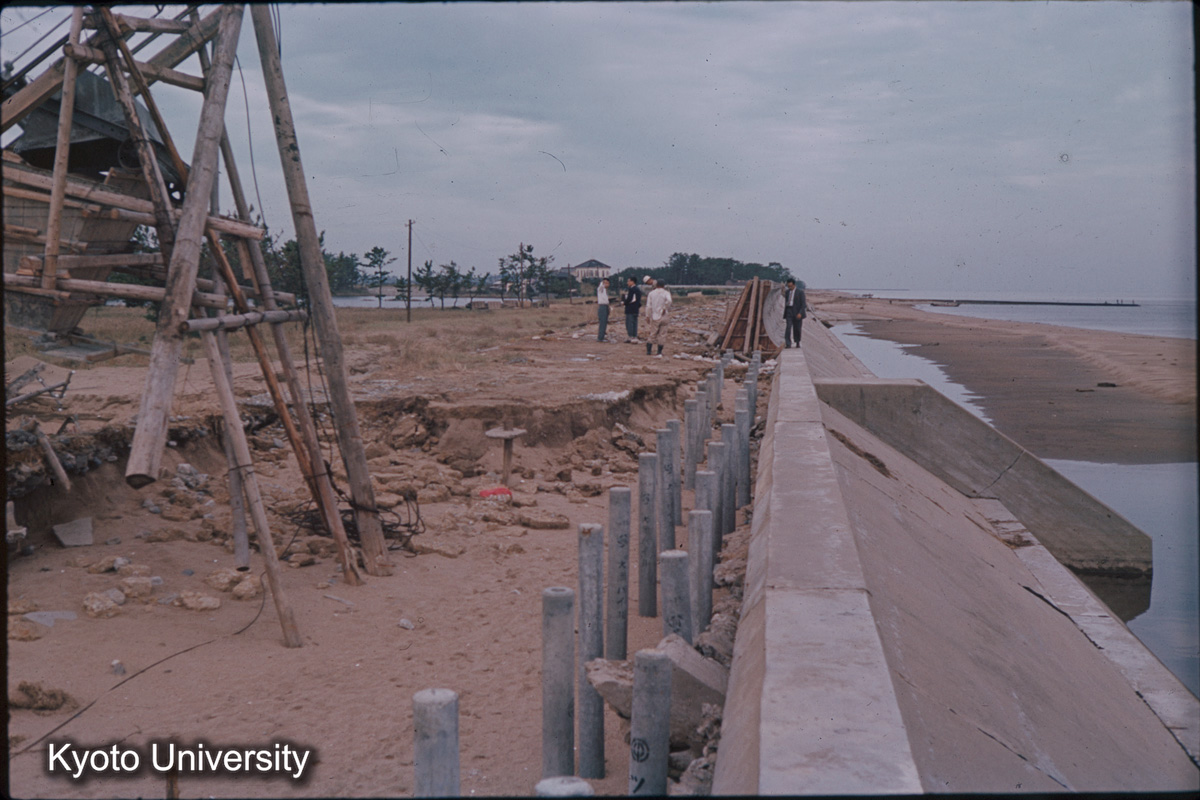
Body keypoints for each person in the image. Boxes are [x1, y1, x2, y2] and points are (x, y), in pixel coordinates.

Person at [645, 280, 672, 356]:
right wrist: (664, 308)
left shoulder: (651, 293)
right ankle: (659, 351)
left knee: (653, 333)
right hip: (664, 315)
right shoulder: (666, 293)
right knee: (662, 334)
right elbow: (669, 301)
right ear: (664, 285)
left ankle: (649, 351)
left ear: (656, 285)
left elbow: (648, 306)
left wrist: (647, 316)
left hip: (655, 316)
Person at [783, 278, 807, 347]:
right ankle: (788, 343)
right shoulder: (787, 292)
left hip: (797, 311)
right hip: (789, 311)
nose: (789, 287)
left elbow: (803, 304)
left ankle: (797, 342)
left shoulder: (800, 292)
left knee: (797, 328)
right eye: (788, 286)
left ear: (794, 285)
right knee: (788, 327)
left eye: (791, 286)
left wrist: (800, 313)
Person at [622, 276, 642, 342]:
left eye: (628, 281)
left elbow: (630, 299)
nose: (627, 282)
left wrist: (624, 303)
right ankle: (634, 336)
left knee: (629, 323)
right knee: (635, 323)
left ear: (632, 282)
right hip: (636, 309)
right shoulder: (638, 289)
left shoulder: (632, 289)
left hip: (630, 309)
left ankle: (630, 337)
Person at [596, 278, 611, 342]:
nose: (608, 285)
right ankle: (600, 338)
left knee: (605, 322)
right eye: (606, 283)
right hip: (602, 306)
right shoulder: (600, 289)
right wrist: (603, 283)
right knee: (602, 322)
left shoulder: (605, 290)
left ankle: (602, 336)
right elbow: (601, 287)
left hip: (606, 306)